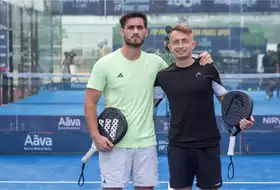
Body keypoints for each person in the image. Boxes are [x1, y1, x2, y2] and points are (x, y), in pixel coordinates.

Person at [84, 12, 214, 190]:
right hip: (114, 144)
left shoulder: (156, 63)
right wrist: (95, 136)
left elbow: (182, 67)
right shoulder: (104, 64)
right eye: (131, 27)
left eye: (140, 27)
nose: (135, 31)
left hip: (146, 144)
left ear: (146, 32)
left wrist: (202, 58)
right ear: (122, 31)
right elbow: (90, 102)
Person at [154, 24, 255, 190]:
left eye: (185, 41)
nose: (180, 46)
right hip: (178, 145)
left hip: (207, 144)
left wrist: (242, 119)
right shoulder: (163, 77)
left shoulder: (208, 68)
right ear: (170, 47)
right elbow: (149, 104)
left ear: (193, 44)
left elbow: (226, 100)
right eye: (176, 42)